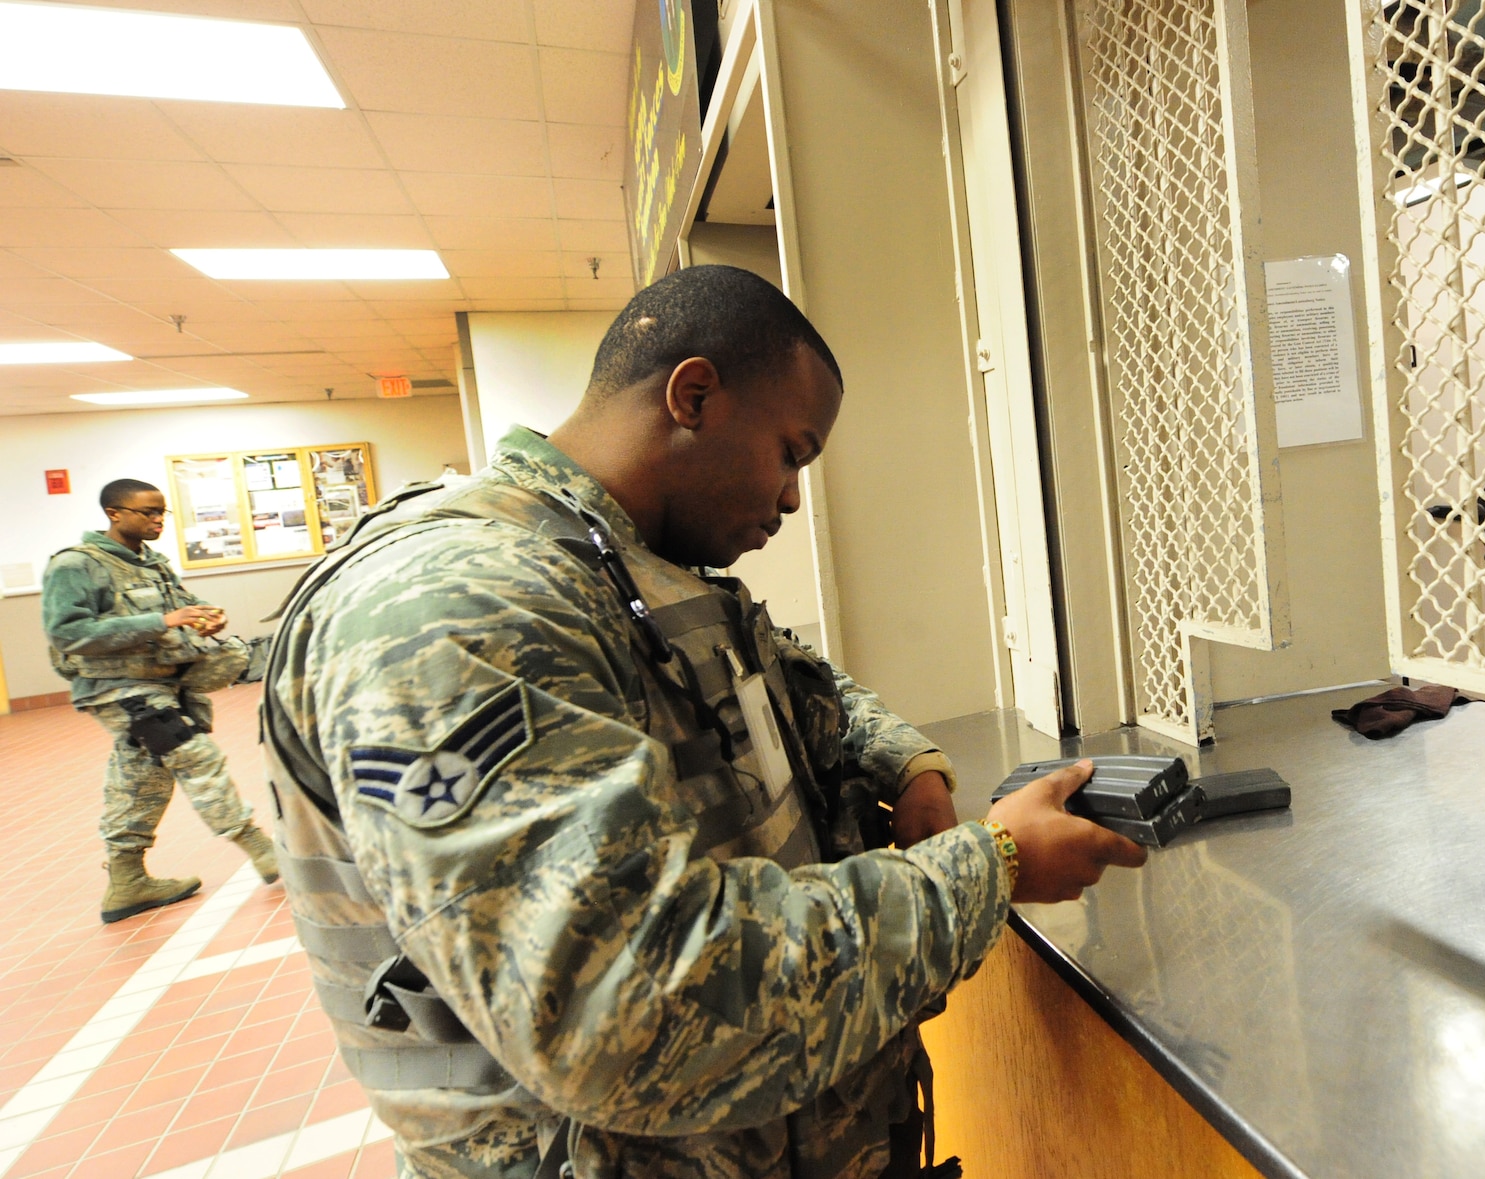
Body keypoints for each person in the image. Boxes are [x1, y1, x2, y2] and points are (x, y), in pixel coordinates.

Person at [261, 265, 1145, 1179]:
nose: (794, 497)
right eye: (792, 452)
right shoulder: (462, 604)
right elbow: (632, 1008)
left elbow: (788, 677)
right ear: (693, 395)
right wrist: (986, 865)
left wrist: (907, 764)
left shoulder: (622, 561)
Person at [43, 478, 281, 923]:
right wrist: (162, 620)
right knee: (193, 754)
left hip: (165, 683)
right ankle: (258, 846)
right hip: (118, 690)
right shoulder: (75, 565)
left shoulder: (151, 563)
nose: (157, 521)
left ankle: (127, 882)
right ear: (115, 513)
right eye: (147, 512)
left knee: (141, 781)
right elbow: (66, 633)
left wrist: (206, 617)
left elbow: (185, 605)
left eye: (161, 513)